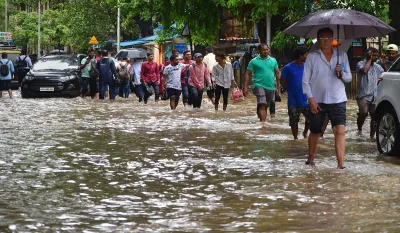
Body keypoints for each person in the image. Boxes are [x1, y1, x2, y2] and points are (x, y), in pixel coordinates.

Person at [302, 27, 352, 169]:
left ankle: (341, 164)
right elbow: (305, 80)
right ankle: (310, 158)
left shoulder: (341, 55)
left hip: (338, 99)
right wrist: (311, 100)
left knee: (340, 130)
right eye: (322, 38)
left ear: (333, 40)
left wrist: (341, 73)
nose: (325, 41)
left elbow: (348, 78)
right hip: (318, 100)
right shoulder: (312, 56)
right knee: (316, 130)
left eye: (328, 38)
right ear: (318, 40)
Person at [243, 44, 280, 122]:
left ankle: (260, 117)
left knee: (265, 105)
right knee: (263, 104)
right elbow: (248, 73)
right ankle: (263, 125)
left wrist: (278, 86)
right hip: (258, 85)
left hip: (271, 86)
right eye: (264, 50)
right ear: (259, 51)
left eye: (267, 49)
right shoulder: (254, 61)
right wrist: (245, 86)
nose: (266, 51)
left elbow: (277, 73)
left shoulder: (273, 60)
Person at [280, 46, 310, 140]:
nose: (307, 56)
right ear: (300, 56)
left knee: (310, 119)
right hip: (293, 99)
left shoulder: (307, 67)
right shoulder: (288, 68)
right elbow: (282, 81)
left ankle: (305, 131)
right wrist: (288, 88)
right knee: (294, 121)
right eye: (306, 54)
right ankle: (295, 138)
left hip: (307, 98)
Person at [356, 47, 384, 139]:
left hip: (375, 96)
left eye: (376, 56)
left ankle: (372, 137)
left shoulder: (378, 67)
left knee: (375, 117)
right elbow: (364, 70)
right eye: (373, 55)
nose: (375, 58)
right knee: (363, 113)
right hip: (363, 95)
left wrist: (383, 64)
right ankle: (359, 127)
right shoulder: (360, 64)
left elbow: (385, 75)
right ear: (368, 55)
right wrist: (369, 59)